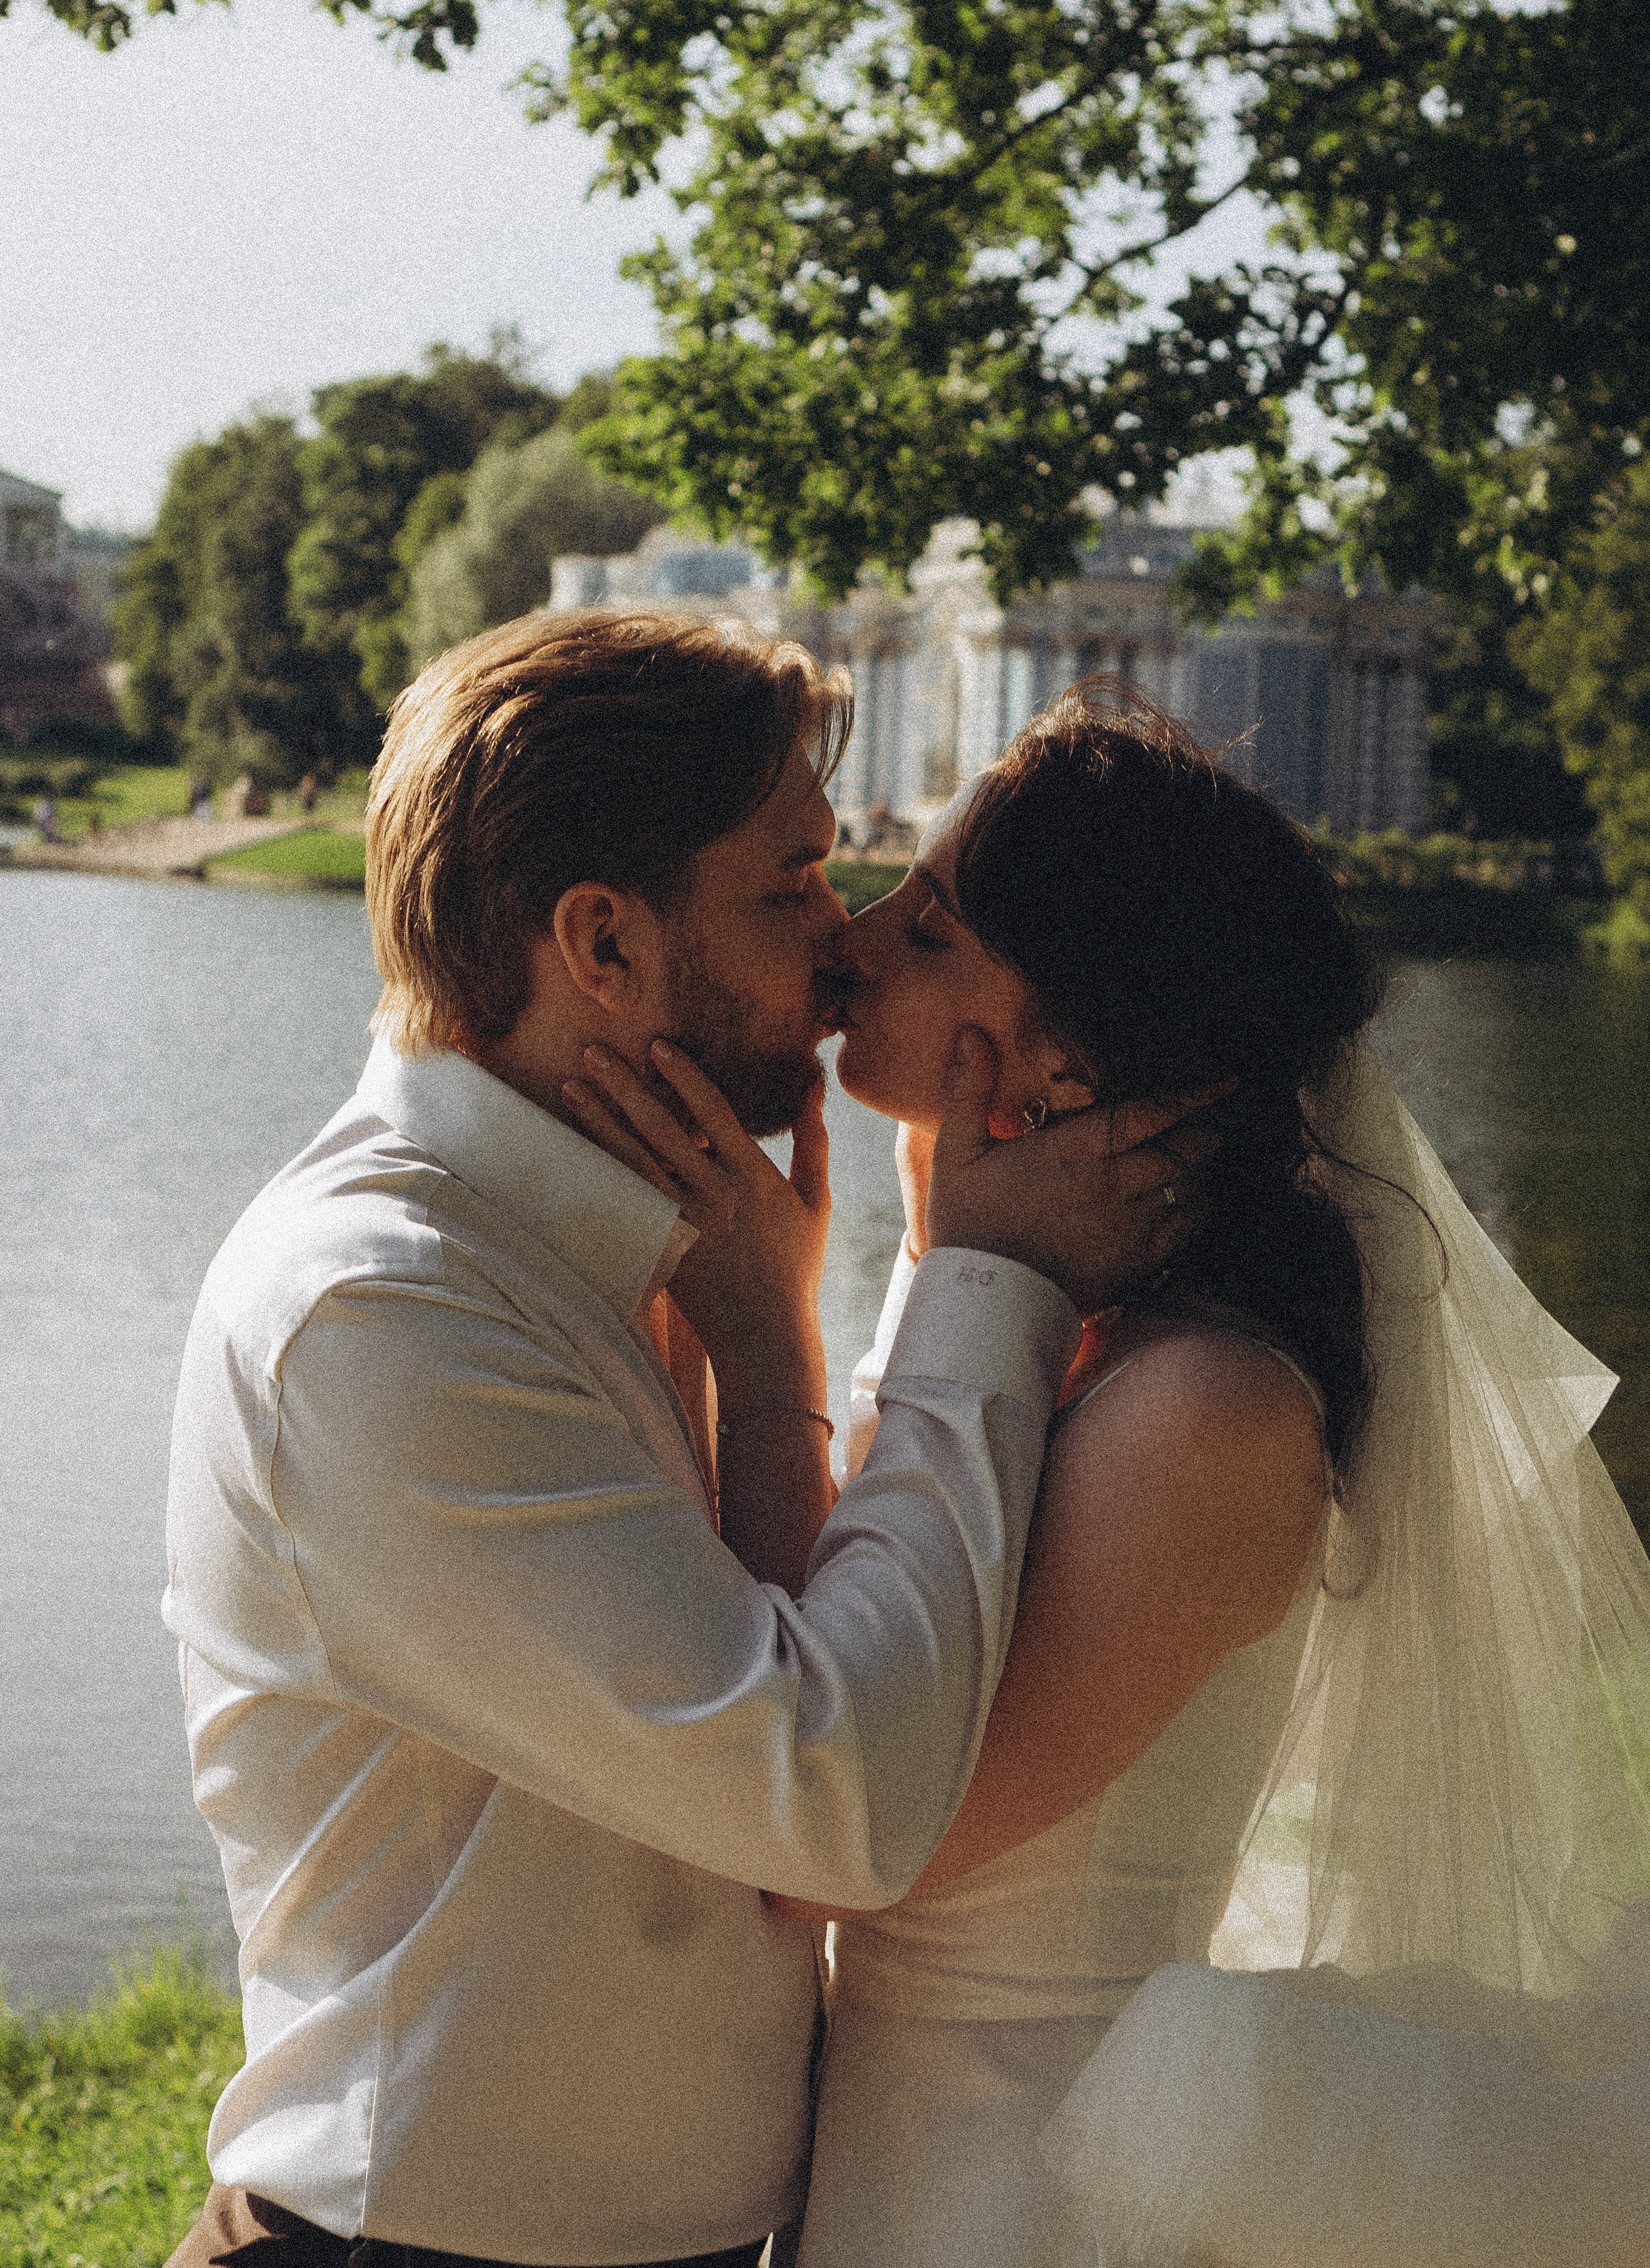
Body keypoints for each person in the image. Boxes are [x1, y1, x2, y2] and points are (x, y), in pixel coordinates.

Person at [161, 613, 1190, 2268]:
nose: (843, 944)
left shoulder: (644, 1234)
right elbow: (835, 1799)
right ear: (605, 945)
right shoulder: (382, 1313)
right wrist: (977, 1287)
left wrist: (763, 1343)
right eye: (789, 883)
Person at [753, 686, 1650, 2267]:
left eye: (937, 928)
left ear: (1083, 1045)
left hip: (1020, 2183)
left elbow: (846, 1841)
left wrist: (781, 1340)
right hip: (893, 2140)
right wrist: (948, 1259)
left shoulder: (1206, 1412)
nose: (855, 936)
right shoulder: (1063, 1322)